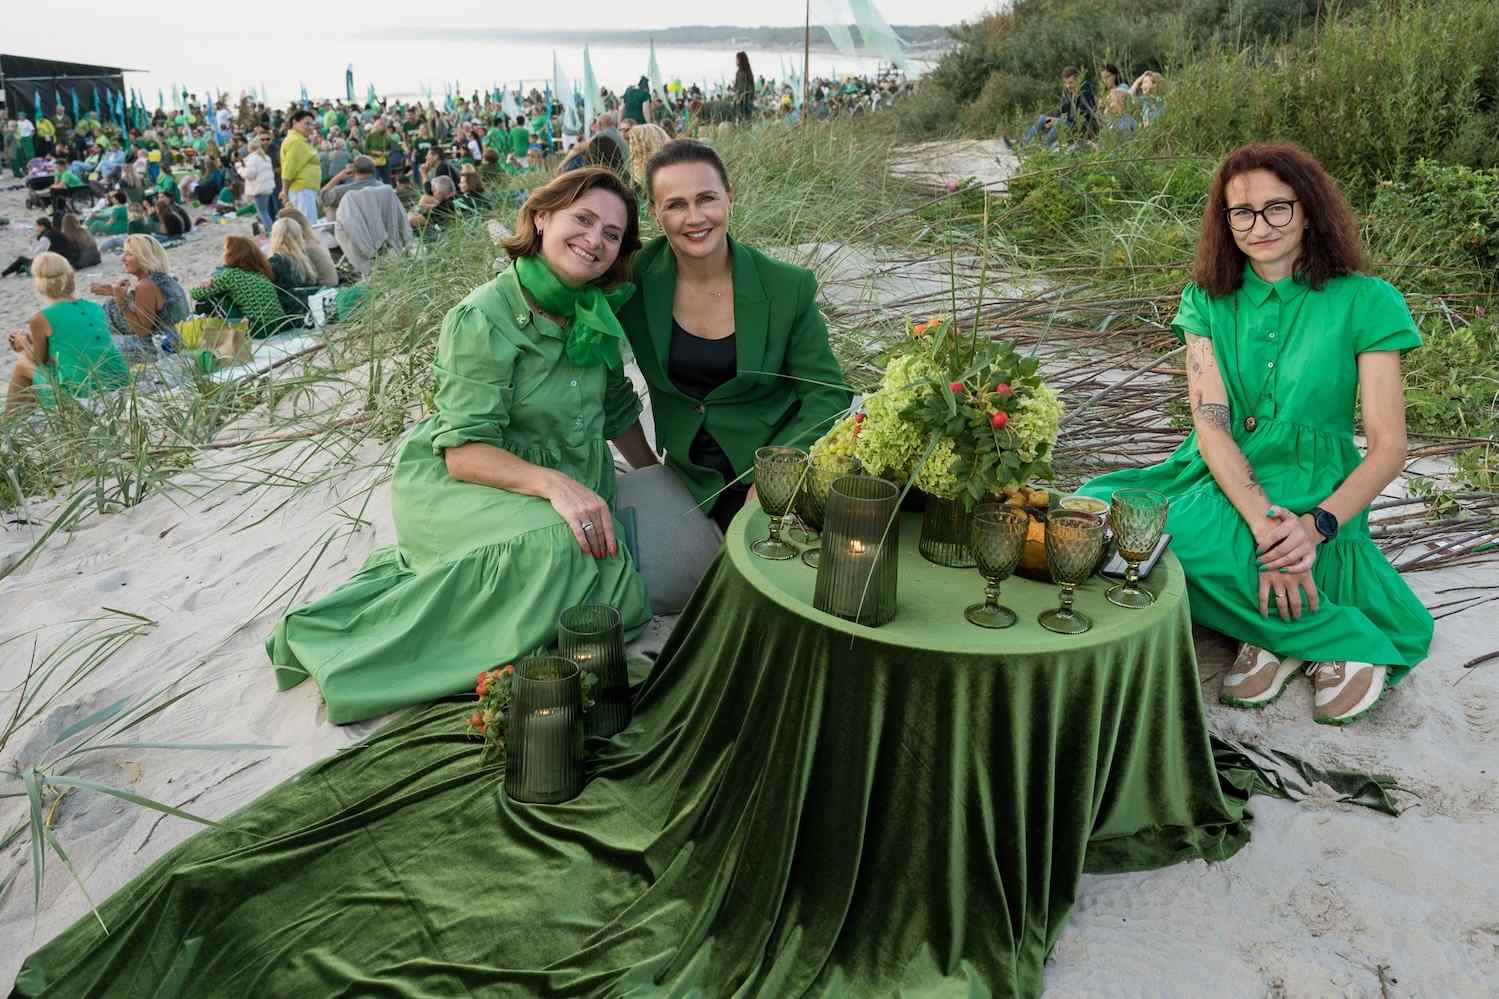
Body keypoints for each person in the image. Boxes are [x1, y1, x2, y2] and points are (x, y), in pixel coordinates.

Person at [268, 166, 652, 724]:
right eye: (583, 219)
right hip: (465, 482)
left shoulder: (594, 310)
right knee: (566, 549)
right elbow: (464, 452)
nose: (595, 240)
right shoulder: (484, 316)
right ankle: (340, 653)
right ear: (542, 218)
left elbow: (616, 412)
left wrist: (654, 473)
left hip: (556, 486)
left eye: (611, 234)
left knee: (616, 584)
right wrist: (557, 487)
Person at [1076, 142, 1432, 725]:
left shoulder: (1367, 301)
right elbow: (1211, 426)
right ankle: (1287, 631)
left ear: (1308, 210)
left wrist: (1313, 528)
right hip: (1221, 471)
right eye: (1242, 212)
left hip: (1316, 485)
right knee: (1092, 510)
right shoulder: (1206, 300)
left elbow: (1389, 447)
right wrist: (1268, 527)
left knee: (1176, 542)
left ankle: (1336, 639)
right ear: (1225, 220)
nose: (1259, 226)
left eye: (1277, 208)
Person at [615, 139, 852, 543]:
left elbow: (827, 393)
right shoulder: (631, 279)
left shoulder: (785, 286)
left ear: (729, 196)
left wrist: (776, 472)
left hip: (773, 465)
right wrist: (648, 468)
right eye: (675, 204)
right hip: (688, 478)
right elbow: (596, 368)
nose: (694, 218)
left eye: (706, 198)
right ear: (654, 212)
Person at [6, 252, 128, 413]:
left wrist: (23, 342)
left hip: (84, 399)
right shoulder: (95, 308)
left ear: (40, 284)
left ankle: (10, 422)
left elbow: (40, 361)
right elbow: (72, 346)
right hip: (121, 388)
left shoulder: (41, 319)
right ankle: (16, 420)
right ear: (71, 276)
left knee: (23, 365)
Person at [90, 234, 190, 361]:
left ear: (144, 257)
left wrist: (120, 300)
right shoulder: (164, 279)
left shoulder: (146, 285)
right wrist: (114, 292)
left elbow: (142, 331)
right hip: (175, 339)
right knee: (106, 309)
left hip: (163, 348)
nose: (123, 259)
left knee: (96, 344)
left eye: (129, 254)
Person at [190, 235, 293, 338]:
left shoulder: (232, 276)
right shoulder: (261, 273)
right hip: (279, 324)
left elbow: (195, 294)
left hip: (259, 329)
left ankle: (209, 331)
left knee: (215, 296)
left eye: (225, 250)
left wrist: (206, 283)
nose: (223, 254)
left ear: (232, 254)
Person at [334, 179, 412, 278]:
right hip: (393, 250)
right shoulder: (385, 188)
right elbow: (402, 220)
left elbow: (323, 197)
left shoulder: (343, 194)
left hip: (371, 257)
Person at [1023, 66, 1096, 146]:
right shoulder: (1069, 92)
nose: (1067, 86)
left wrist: (1058, 120)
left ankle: (1044, 147)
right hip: (1066, 122)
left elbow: (1082, 116)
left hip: (1081, 127)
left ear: (1078, 80)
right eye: (1065, 83)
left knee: (1060, 124)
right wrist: (1051, 119)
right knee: (1043, 119)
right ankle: (1024, 144)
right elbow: (1061, 110)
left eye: (1070, 83)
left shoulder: (1086, 92)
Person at [276, 206, 340, 287]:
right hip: (329, 285)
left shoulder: (306, 247)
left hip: (325, 288)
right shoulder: (312, 239)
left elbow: (304, 279)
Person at [267, 217, 318, 317]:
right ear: (299, 235)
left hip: (291, 315)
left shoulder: (274, 262)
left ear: (274, 236)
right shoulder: (304, 258)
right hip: (311, 309)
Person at [279, 110, 322, 222]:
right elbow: (289, 170)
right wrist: (284, 192)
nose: (310, 127)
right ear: (295, 122)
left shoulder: (299, 140)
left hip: (303, 190)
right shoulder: (296, 141)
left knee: (306, 225)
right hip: (302, 191)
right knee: (308, 225)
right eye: (307, 123)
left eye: (312, 124)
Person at [238, 137, 277, 232]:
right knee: (265, 211)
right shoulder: (266, 157)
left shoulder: (252, 158)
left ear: (250, 148)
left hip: (259, 188)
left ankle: (271, 232)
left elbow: (249, 174)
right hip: (267, 187)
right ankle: (269, 230)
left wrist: (240, 169)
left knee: (263, 212)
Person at [733, 52, 756, 119]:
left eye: (737, 59)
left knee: (743, 119)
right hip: (744, 100)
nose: (736, 61)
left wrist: (739, 98)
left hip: (744, 102)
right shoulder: (745, 72)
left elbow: (742, 88)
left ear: (741, 60)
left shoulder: (742, 73)